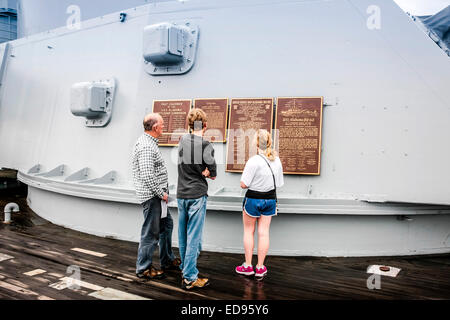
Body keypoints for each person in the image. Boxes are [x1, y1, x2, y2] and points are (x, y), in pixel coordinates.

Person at [132, 113, 181, 280]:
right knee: (150, 233)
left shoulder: (149, 143)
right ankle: (143, 268)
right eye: (162, 124)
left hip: (158, 198)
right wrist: (162, 194)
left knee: (167, 225)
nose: (163, 127)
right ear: (154, 128)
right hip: (153, 198)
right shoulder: (146, 146)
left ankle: (167, 259)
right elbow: (147, 174)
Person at [177, 108, 217, 290]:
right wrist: (207, 172)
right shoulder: (206, 145)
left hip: (181, 194)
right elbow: (213, 172)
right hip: (197, 195)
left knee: (183, 234)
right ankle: (190, 277)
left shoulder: (182, 140)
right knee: (194, 236)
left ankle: (184, 268)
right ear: (206, 125)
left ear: (189, 125)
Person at [236, 129, 284, 279]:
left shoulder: (253, 161)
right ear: (269, 142)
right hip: (270, 200)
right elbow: (279, 183)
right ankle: (260, 267)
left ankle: (248, 266)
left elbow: (244, 184)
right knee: (264, 233)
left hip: (253, 200)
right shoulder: (277, 160)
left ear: (256, 144)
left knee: (249, 231)